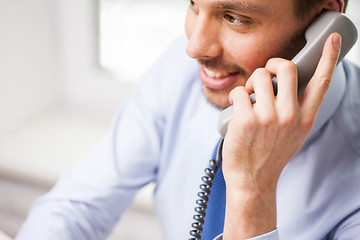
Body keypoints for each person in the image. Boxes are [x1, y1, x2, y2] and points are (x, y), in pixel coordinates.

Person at [16, 0, 360, 239]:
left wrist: (252, 189)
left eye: (234, 17)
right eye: (194, 3)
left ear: (322, 23)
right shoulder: (183, 73)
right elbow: (78, 206)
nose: (195, 47)